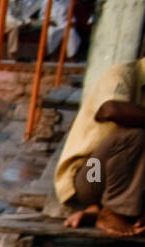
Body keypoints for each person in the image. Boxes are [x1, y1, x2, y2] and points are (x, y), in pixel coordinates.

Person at [58, 57, 145, 236]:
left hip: (123, 183)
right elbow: (110, 110)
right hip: (91, 173)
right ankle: (113, 211)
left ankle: (100, 210)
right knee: (135, 135)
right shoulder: (122, 74)